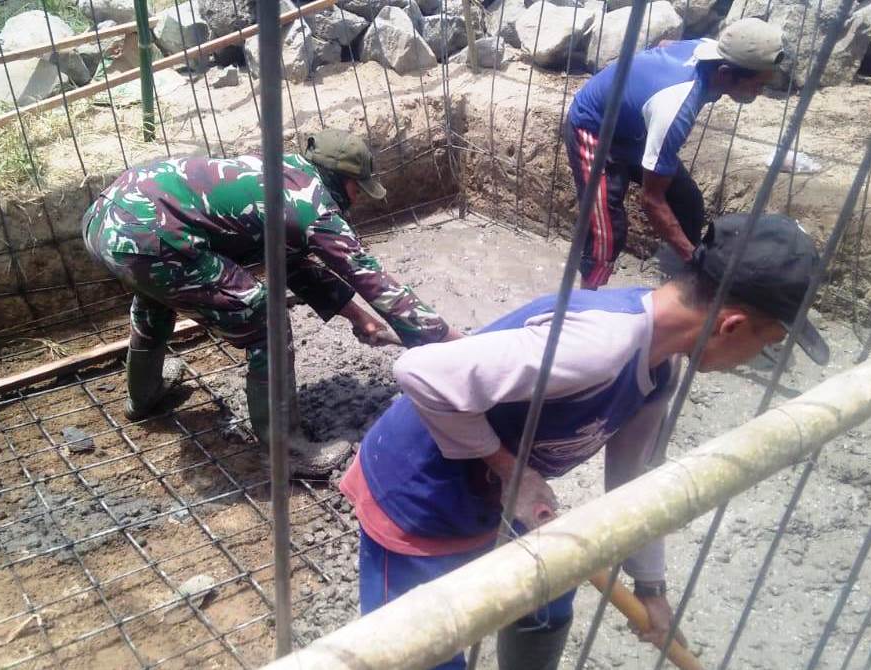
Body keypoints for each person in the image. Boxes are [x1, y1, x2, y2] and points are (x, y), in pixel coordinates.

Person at [340, 213, 830, 669]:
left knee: (550, 595)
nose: (758, 358)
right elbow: (420, 372)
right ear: (732, 325)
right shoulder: (600, 345)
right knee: (419, 648)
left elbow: (632, 483)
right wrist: (513, 471)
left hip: (494, 495)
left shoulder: (659, 368)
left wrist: (650, 587)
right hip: (416, 495)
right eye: (768, 344)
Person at [83, 129, 458, 477]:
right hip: (147, 234)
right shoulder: (314, 206)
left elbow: (290, 260)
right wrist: (449, 341)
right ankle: (288, 450)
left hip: (109, 217)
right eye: (358, 189)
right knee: (266, 318)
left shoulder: (286, 171)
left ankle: (145, 395)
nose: (358, 198)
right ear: (340, 179)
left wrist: (357, 315)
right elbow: (375, 282)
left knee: (158, 289)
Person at [565, 18, 786, 290]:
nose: (760, 92)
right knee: (606, 232)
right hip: (595, 129)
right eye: (756, 85)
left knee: (687, 201)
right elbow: (651, 200)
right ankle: (585, 302)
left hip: (635, 128)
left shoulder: (708, 49)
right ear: (726, 73)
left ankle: (683, 287)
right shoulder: (676, 106)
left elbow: (665, 44)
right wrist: (694, 259)